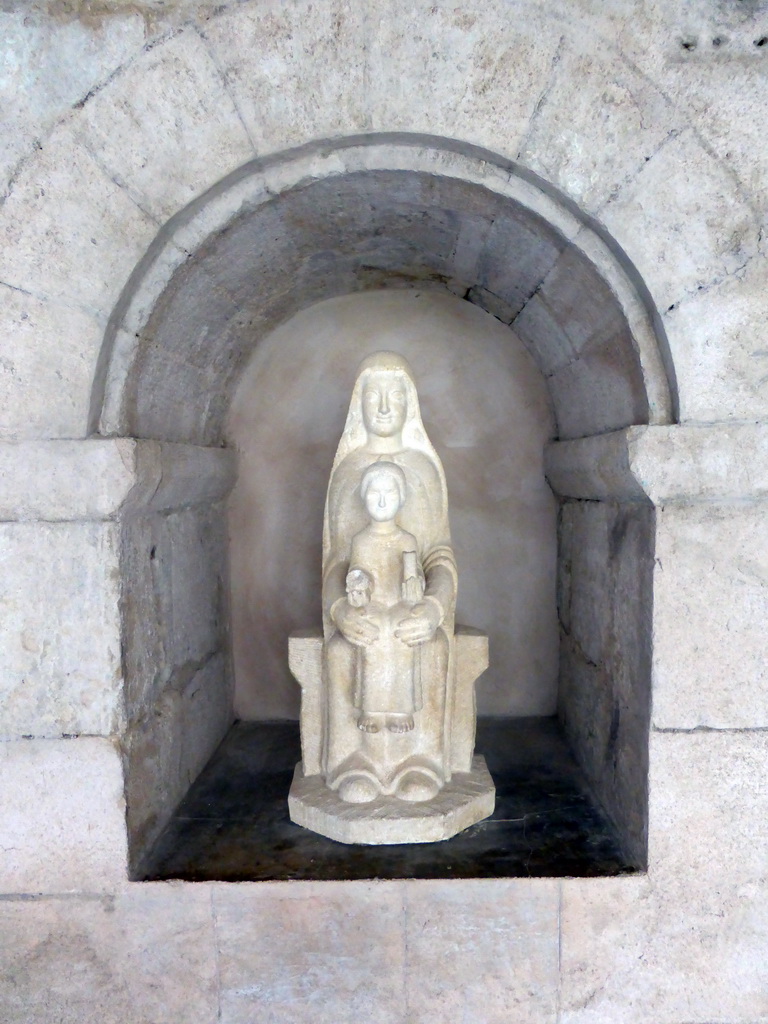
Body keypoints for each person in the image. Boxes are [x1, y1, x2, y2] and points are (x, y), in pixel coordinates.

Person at [322, 352, 457, 804]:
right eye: (373, 396)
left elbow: (438, 555)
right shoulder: (347, 473)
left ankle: (420, 763)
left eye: (394, 395)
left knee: (429, 644)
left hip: (409, 610)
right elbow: (336, 562)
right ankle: (353, 765)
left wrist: (434, 607)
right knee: (345, 650)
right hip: (364, 612)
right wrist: (341, 608)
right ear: (357, 403)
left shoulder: (424, 472)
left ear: (410, 403)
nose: (382, 408)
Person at [343, 462, 425, 736]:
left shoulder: (407, 540)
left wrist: (415, 587)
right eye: (373, 492)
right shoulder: (360, 541)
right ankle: (372, 708)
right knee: (373, 629)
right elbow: (358, 572)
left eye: (389, 492)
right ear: (363, 497)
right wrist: (358, 587)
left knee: (401, 629)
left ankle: (402, 707)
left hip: (400, 605)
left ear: (401, 498)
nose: (381, 500)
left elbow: (417, 575)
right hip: (374, 605)